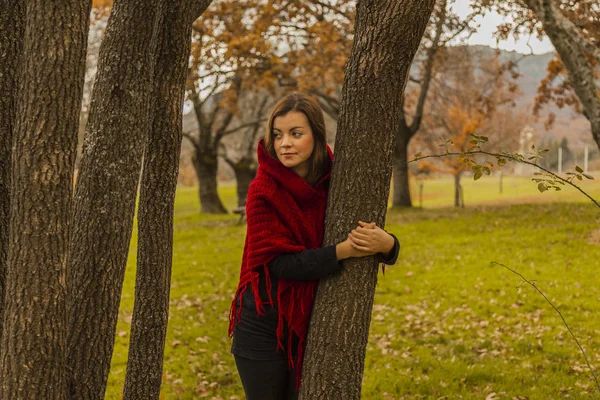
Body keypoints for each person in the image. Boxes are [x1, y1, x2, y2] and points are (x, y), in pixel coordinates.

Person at [228, 93, 399, 400]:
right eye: (278, 135)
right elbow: (280, 264)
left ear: (316, 136)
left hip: (309, 321)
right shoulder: (262, 191)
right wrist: (343, 251)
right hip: (262, 324)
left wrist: (389, 244)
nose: (285, 144)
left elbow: (369, 234)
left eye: (296, 134)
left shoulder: (340, 181)